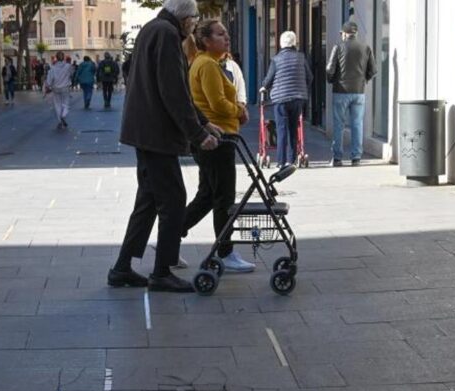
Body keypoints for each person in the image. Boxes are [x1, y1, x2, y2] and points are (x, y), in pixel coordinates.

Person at [111, 0, 219, 293]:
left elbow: (175, 89)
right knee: (173, 200)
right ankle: (162, 271)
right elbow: (173, 90)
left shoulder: (152, 29)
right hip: (155, 134)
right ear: (185, 18)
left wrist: (203, 121)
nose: (195, 25)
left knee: (148, 201)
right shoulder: (168, 35)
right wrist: (198, 134)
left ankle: (121, 268)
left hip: (144, 131)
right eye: (195, 20)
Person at [183, 20, 255, 273]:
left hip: (215, 137)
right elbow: (218, 103)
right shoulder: (209, 65)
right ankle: (225, 252)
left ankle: (170, 236)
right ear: (206, 41)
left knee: (207, 195)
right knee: (224, 197)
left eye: (226, 34)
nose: (227, 38)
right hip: (219, 138)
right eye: (220, 34)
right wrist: (240, 110)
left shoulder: (202, 63)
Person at [326, 21, 377, 167]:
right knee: (357, 124)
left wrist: (331, 81)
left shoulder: (338, 47)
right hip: (359, 91)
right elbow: (373, 71)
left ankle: (337, 158)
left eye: (342, 33)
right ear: (355, 34)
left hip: (341, 90)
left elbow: (330, 70)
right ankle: (356, 157)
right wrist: (363, 80)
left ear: (344, 33)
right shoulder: (366, 47)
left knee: (339, 124)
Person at [260, 31, 312, 168]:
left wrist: (263, 87)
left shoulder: (276, 59)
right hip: (298, 98)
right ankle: (292, 160)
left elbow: (269, 79)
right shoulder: (301, 57)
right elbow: (309, 77)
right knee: (293, 128)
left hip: (281, 99)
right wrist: (302, 87)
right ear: (294, 43)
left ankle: (281, 161)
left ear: (281, 44)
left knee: (281, 129)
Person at [44, 51, 74, 130]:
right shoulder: (68, 66)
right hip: (65, 87)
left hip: (55, 88)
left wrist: (47, 87)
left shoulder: (53, 68)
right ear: (63, 57)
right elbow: (71, 74)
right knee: (66, 104)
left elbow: (49, 79)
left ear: (56, 58)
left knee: (57, 105)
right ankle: (63, 115)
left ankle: (60, 121)